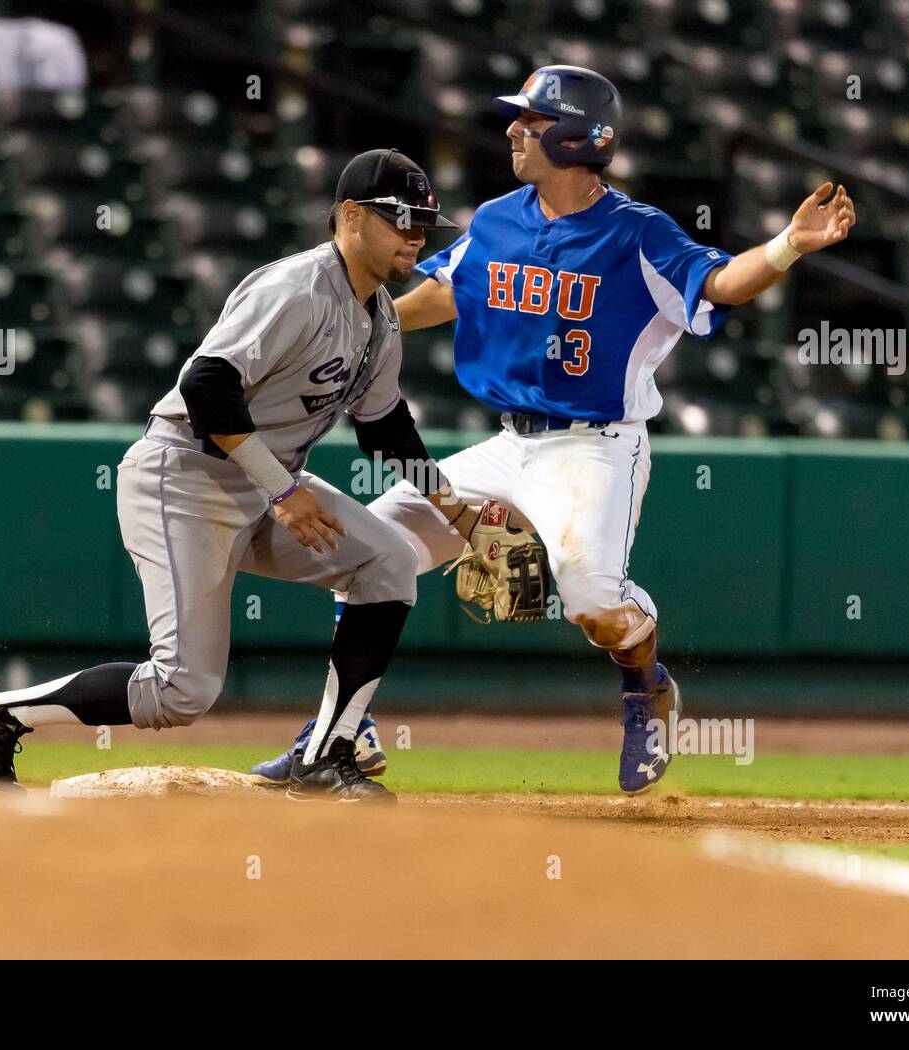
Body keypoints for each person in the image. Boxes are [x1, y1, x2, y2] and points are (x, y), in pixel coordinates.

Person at [254, 66, 856, 794]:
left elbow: (721, 284)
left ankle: (648, 689)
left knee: (593, 605)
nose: (513, 130)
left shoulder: (637, 233)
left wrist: (788, 244)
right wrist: (343, 327)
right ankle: (338, 731)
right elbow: (441, 294)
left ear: (577, 138)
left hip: (594, 445)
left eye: (531, 122)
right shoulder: (499, 218)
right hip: (510, 442)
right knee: (367, 556)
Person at [0, 148, 507, 803]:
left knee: (386, 559)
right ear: (351, 216)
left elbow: (385, 428)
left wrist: (461, 517)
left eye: (423, 225)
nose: (415, 235)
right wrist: (285, 491)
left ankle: (326, 756)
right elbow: (207, 385)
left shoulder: (382, 318)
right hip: (184, 475)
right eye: (400, 219)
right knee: (182, 690)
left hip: (269, 486)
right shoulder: (296, 290)